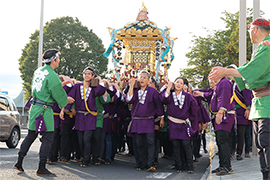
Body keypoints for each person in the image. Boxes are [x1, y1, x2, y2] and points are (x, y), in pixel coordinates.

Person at [209, 18, 270, 180]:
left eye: (250, 29)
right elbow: (250, 75)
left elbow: (253, 70)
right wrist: (227, 73)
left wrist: (225, 72)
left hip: (267, 102)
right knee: (262, 145)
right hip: (261, 102)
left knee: (265, 143)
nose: (249, 32)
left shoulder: (267, 45)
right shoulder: (263, 47)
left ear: (255, 30)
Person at [13, 49, 74, 176]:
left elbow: (46, 89)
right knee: (48, 137)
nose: (59, 61)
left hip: (35, 108)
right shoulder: (52, 75)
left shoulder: (38, 71)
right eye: (58, 59)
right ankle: (41, 168)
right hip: (44, 110)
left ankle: (19, 162)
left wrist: (60, 84)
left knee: (31, 136)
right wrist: (66, 99)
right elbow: (58, 95)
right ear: (53, 60)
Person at [60, 66, 106, 167]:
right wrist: (63, 109)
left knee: (86, 138)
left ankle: (86, 160)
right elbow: (70, 97)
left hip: (90, 117)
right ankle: (83, 156)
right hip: (80, 116)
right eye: (85, 73)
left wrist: (100, 80)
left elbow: (101, 90)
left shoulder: (94, 88)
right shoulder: (77, 86)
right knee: (80, 139)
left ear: (92, 76)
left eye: (89, 74)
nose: (86, 75)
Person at [196, 65, 235, 176]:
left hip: (224, 115)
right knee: (220, 141)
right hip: (220, 115)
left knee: (223, 141)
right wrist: (200, 93)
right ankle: (223, 165)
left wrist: (221, 112)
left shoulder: (224, 83)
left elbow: (224, 98)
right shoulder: (219, 84)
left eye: (214, 71)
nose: (212, 73)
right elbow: (210, 95)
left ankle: (226, 166)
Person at [126, 70, 164, 172]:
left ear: (149, 81)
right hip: (137, 121)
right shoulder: (134, 90)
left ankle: (150, 164)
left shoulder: (153, 91)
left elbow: (159, 106)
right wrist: (131, 85)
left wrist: (161, 119)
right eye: (140, 77)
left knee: (150, 143)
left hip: (149, 121)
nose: (142, 79)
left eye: (144, 77)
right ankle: (141, 163)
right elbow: (128, 99)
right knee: (138, 143)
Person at [160, 77, 199, 173]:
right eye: (177, 82)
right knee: (175, 145)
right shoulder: (170, 95)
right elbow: (163, 99)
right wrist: (168, 88)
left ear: (183, 86)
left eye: (181, 83)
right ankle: (179, 166)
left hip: (183, 124)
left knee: (186, 145)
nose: (178, 84)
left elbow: (194, 111)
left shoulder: (188, 96)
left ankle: (190, 166)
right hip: (173, 124)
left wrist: (194, 126)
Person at [227, 64, 253, 161]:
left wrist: (248, 107)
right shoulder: (228, 84)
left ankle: (239, 153)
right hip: (232, 112)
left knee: (242, 133)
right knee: (232, 133)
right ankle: (231, 151)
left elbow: (247, 95)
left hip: (242, 111)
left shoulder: (241, 82)